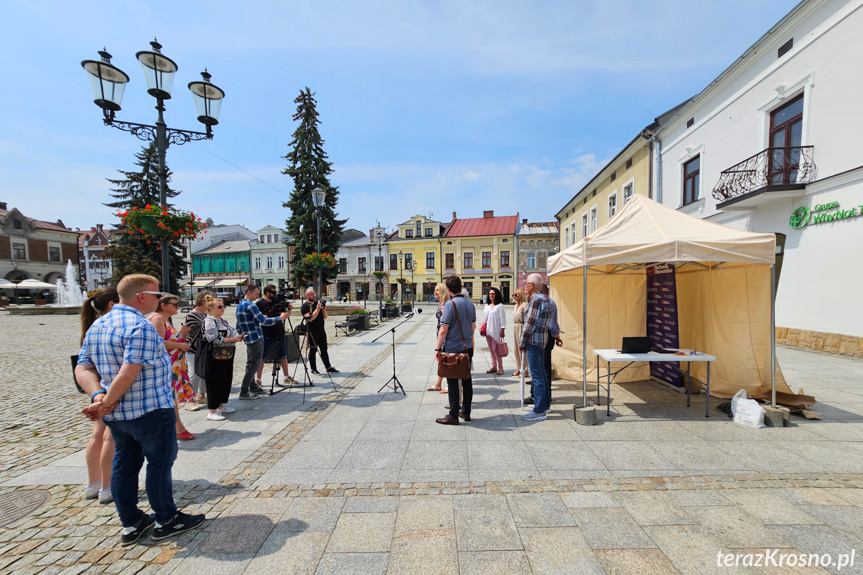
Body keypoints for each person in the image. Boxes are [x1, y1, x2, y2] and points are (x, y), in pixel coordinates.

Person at [76, 274, 205, 547]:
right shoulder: (141, 326)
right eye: (157, 295)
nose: (159, 300)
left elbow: (83, 367)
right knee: (159, 464)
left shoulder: (98, 325)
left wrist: (99, 397)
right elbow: (128, 373)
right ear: (142, 296)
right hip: (149, 410)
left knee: (124, 464)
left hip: (118, 417)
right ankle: (166, 520)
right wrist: (105, 401)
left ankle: (132, 523)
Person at [80, 287, 119, 505]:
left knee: (98, 435)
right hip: (110, 388)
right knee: (109, 436)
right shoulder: (109, 325)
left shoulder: (92, 325)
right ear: (113, 304)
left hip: (98, 388)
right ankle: (107, 486)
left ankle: (93, 483)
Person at [148, 294, 195, 441]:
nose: (178, 307)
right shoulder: (157, 318)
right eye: (174, 304)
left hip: (173, 365)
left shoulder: (164, 319)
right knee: (170, 398)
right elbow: (159, 343)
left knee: (171, 397)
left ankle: (174, 428)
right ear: (163, 305)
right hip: (166, 365)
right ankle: (178, 428)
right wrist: (179, 345)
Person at [235, 284, 291, 400]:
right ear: (249, 293)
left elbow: (238, 325)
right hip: (256, 338)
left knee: (250, 364)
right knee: (254, 366)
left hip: (249, 338)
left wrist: (243, 334)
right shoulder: (251, 306)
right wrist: (280, 318)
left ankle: (253, 387)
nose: (258, 296)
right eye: (256, 294)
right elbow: (264, 322)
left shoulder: (241, 305)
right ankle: (244, 392)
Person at [434, 276, 476, 425]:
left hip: (452, 348)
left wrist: (437, 348)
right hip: (467, 348)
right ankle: (466, 412)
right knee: (466, 379)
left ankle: (452, 415)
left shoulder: (450, 305)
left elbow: (443, 330)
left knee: (452, 381)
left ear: (449, 289)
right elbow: (472, 328)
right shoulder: (471, 305)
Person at [203, 297, 246, 421]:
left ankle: (221, 405)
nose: (223, 309)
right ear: (210, 309)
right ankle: (212, 410)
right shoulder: (209, 321)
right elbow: (213, 339)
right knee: (215, 381)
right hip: (214, 355)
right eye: (219, 307)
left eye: (223, 306)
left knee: (225, 379)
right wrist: (232, 339)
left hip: (226, 353)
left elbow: (231, 332)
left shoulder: (223, 320)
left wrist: (238, 337)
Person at [519, 273, 552, 421]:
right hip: (541, 340)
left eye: (526, 284)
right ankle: (544, 405)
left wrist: (522, 342)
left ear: (531, 285)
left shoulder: (535, 301)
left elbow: (529, 324)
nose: (525, 287)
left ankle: (539, 410)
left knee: (537, 376)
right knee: (542, 375)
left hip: (533, 341)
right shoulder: (546, 299)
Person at [254, 284, 297, 388]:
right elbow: (258, 318)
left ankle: (286, 376)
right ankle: (258, 379)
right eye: (273, 292)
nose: (275, 294)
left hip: (279, 331)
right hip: (267, 332)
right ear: (267, 293)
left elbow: (285, 316)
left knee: (283, 355)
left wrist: (289, 310)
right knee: (262, 356)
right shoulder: (260, 303)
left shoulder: (277, 301)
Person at [180, 291, 213, 408]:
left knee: (204, 373)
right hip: (193, 349)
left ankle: (201, 396)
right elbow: (181, 333)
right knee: (194, 374)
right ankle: (189, 400)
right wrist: (183, 347)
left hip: (205, 349)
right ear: (202, 301)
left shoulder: (207, 314)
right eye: (209, 300)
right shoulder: (191, 315)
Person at [301, 287, 339, 375]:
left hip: (321, 330)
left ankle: (328, 367)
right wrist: (317, 309)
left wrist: (324, 309)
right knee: (313, 350)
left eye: (314, 293)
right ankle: (313, 368)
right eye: (311, 294)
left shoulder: (317, 304)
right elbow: (310, 319)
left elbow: (325, 317)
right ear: (306, 296)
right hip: (312, 331)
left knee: (324, 349)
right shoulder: (305, 306)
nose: (313, 295)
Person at [426, 283, 451, 394]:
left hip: (445, 336)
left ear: (444, 292)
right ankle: (438, 383)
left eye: (438, 290)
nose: (435, 292)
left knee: (444, 360)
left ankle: (449, 386)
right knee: (442, 360)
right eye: (435, 290)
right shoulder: (442, 304)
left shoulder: (444, 305)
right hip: (441, 335)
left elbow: (445, 322)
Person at [541, 283, 563, 403]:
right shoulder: (552, 302)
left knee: (543, 367)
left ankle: (544, 395)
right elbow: (555, 322)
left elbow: (549, 324)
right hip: (550, 336)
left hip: (545, 336)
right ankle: (546, 393)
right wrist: (557, 335)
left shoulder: (545, 303)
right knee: (546, 366)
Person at [481, 287, 506, 376]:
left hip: (496, 329)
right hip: (487, 330)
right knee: (491, 349)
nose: (491, 295)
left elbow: (502, 319)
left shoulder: (500, 306)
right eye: (490, 294)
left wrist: (502, 330)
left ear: (496, 295)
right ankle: (494, 366)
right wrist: (482, 326)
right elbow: (484, 317)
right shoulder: (487, 305)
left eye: (493, 294)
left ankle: (500, 367)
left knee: (496, 349)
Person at [511, 288, 528, 377]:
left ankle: (525, 369)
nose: (514, 297)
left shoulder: (524, 305)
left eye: (516, 295)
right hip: (515, 326)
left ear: (521, 295)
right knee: (516, 349)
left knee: (522, 349)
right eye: (513, 295)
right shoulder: (515, 305)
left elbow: (526, 319)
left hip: (521, 326)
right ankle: (519, 368)